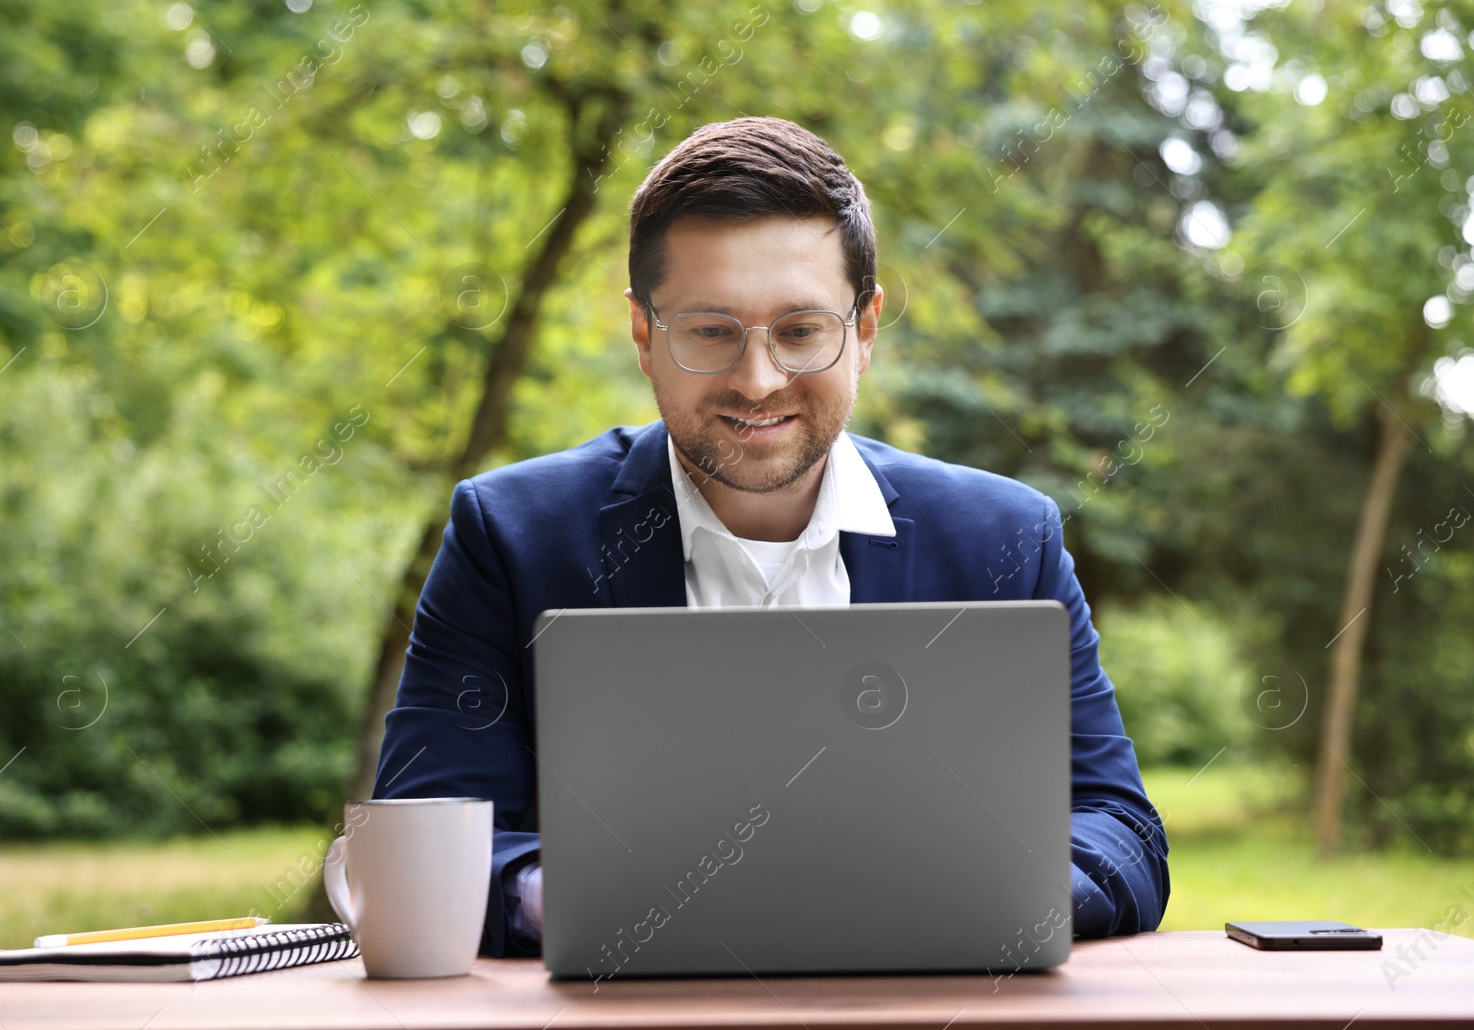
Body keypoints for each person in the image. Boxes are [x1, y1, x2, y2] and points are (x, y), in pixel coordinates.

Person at [372, 116, 1169, 957]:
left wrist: (987, 891)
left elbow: (1120, 828)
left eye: (800, 331)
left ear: (863, 331)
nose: (758, 381)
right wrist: (581, 896)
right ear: (645, 335)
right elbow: (424, 836)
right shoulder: (509, 535)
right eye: (711, 331)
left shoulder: (1007, 539)